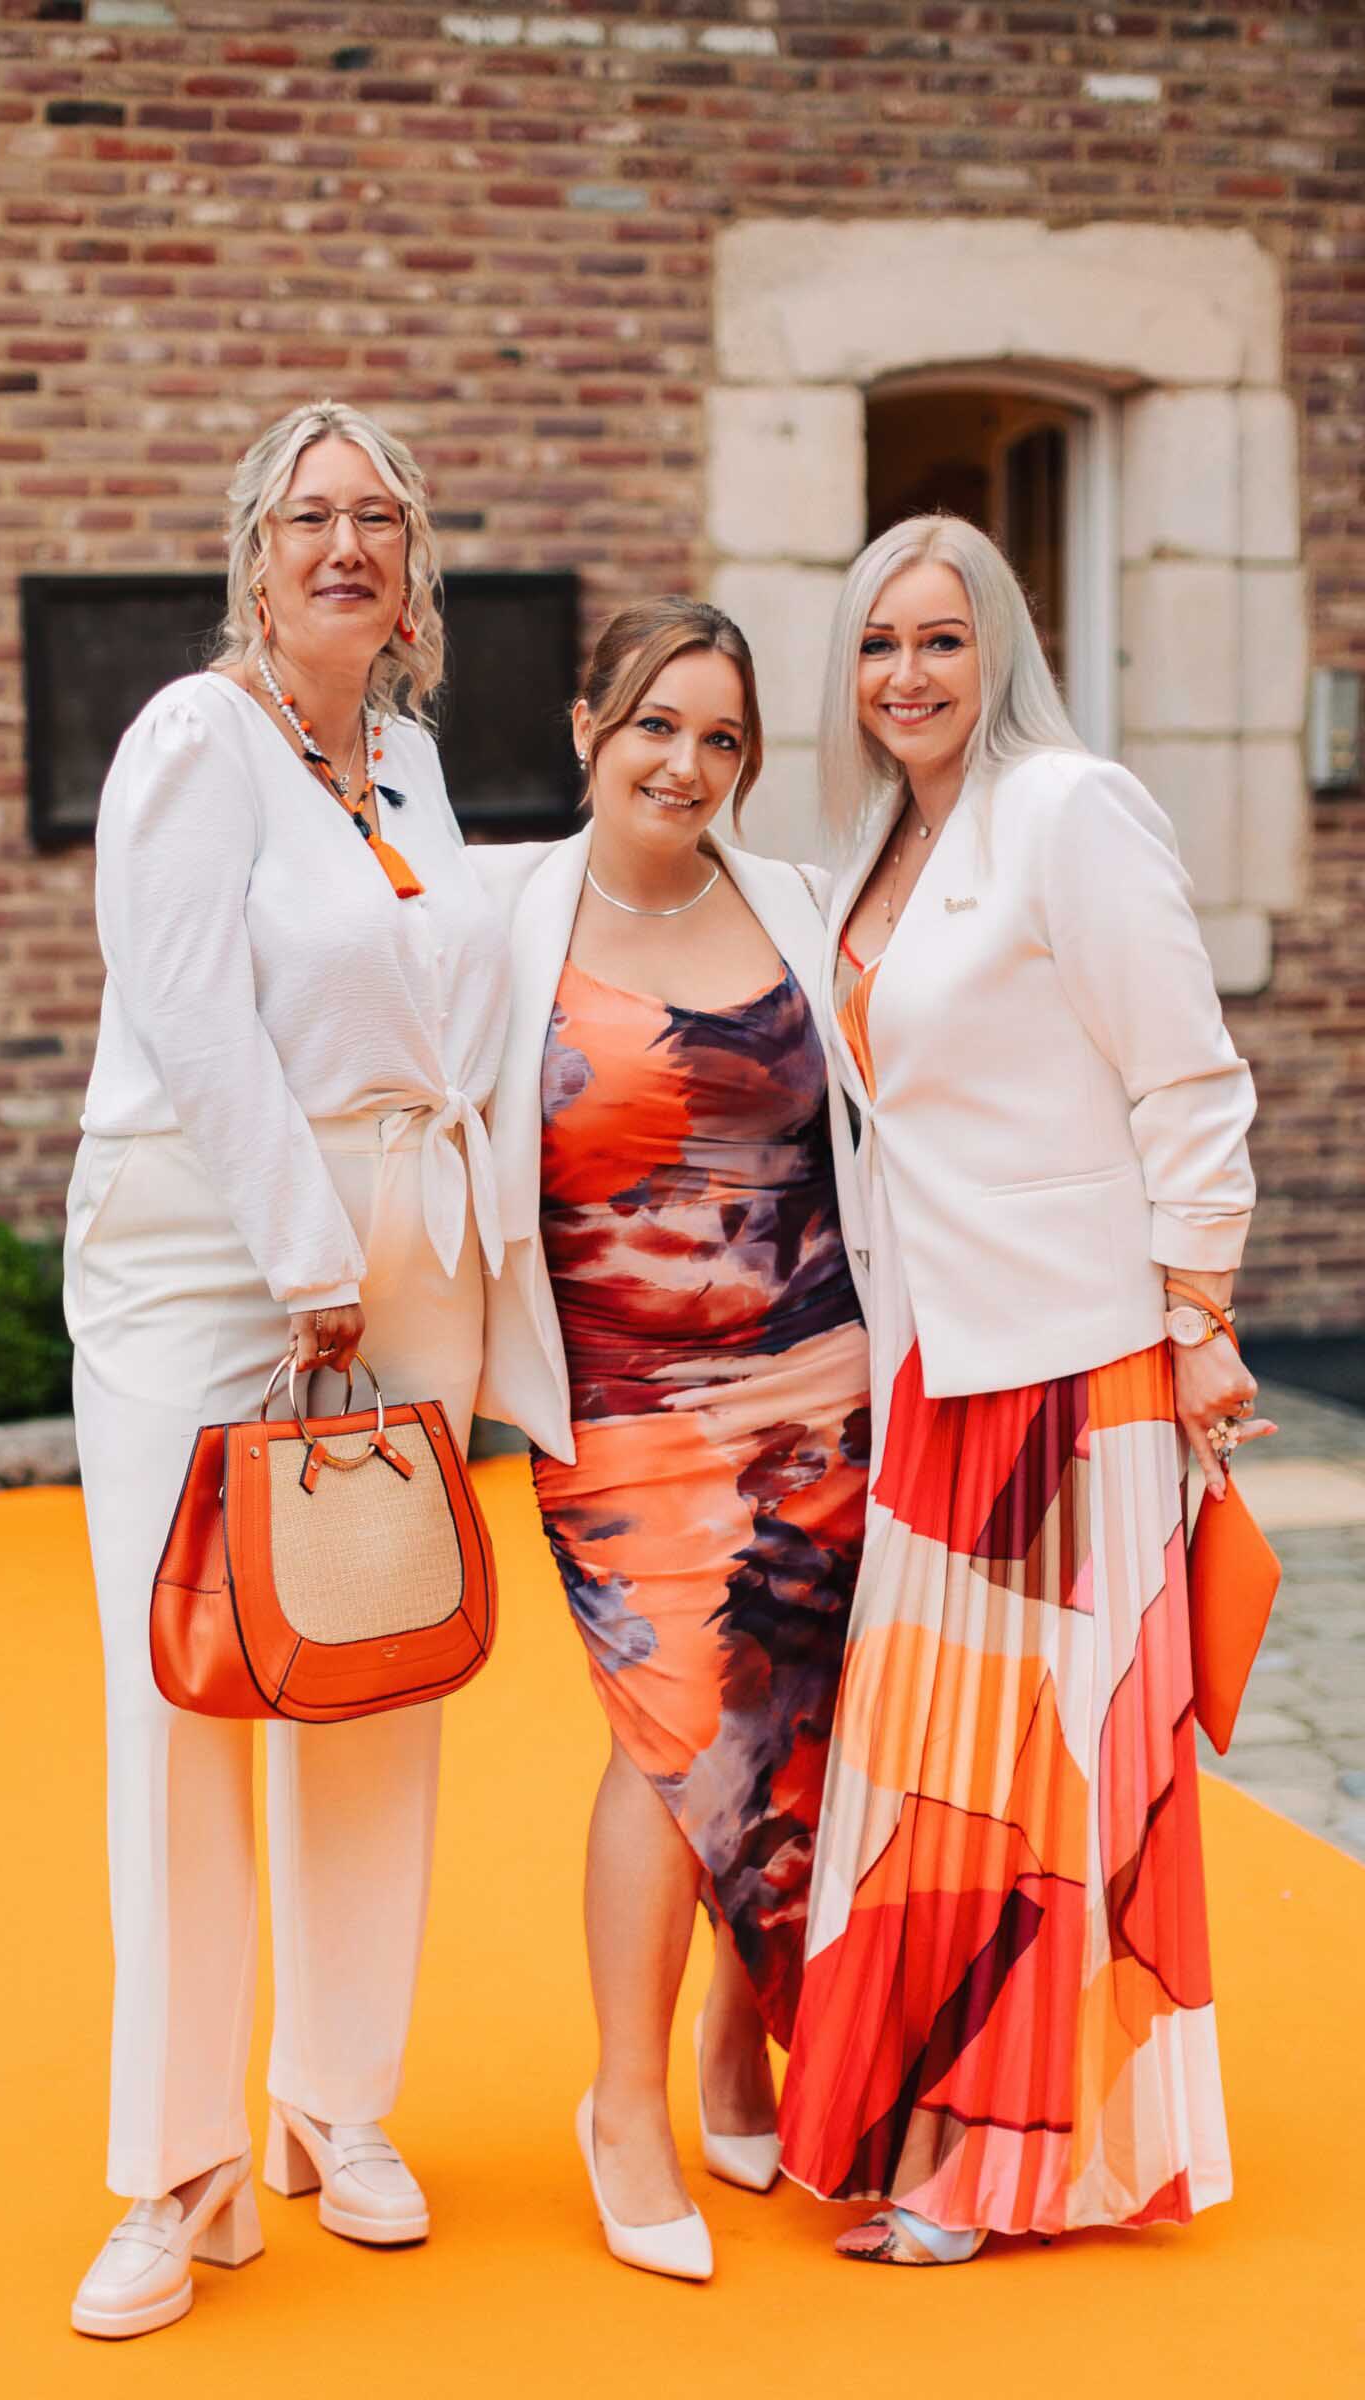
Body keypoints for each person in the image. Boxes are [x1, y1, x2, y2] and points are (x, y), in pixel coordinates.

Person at [64, 399, 509, 2337]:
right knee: (182, 1697)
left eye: (379, 519)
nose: (346, 545)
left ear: (413, 569)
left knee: (370, 1672)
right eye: (311, 515)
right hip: (212, 1253)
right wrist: (310, 1257)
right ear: (254, 552)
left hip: (399, 1259)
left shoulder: (410, 759)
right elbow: (187, 1011)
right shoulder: (197, 737)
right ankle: (178, 2171)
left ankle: (339, 2103)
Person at [777, 514, 1270, 2266]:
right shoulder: (871, 849)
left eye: (942, 639)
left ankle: (1002, 2164)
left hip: (1078, 1364)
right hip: (942, 1359)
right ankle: (927, 2115)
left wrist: (1199, 1312)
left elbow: (1189, 1079)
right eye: (877, 643)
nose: (907, 674)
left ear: (1001, 648)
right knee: (934, 1759)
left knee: (1049, 1767)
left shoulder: (1070, 809)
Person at [476, 599, 870, 2281]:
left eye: (721, 737)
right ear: (588, 730)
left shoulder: (802, 904)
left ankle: (733, 2041)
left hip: (821, 1377)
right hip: (622, 1400)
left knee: (794, 1718)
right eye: (654, 724)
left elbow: (893, 1137)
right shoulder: (497, 918)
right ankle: (623, 2102)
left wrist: (875, 1341)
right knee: (679, 1720)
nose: (686, 764)